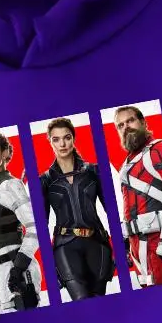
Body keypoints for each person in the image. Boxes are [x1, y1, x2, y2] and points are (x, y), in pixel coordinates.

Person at [39, 117, 115, 300]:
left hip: (97, 242)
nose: (62, 144)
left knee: (100, 302)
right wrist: (47, 262)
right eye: (56, 139)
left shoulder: (94, 171)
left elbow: (111, 211)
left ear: (73, 138)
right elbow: (41, 225)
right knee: (82, 302)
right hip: (65, 247)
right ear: (50, 142)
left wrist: (123, 244)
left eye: (67, 137)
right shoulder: (45, 180)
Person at [113, 105, 162, 287]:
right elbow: (129, 207)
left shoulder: (160, 148)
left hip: (160, 241)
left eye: (130, 121)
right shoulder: (126, 165)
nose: (126, 127)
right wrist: (126, 243)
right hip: (137, 247)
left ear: (143, 122)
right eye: (120, 125)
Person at [0, 131, 42, 312]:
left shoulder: (8, 185)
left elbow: (36, 227)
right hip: (3, 272)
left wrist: (18, 268)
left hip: (19, 273)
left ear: (4, 153)